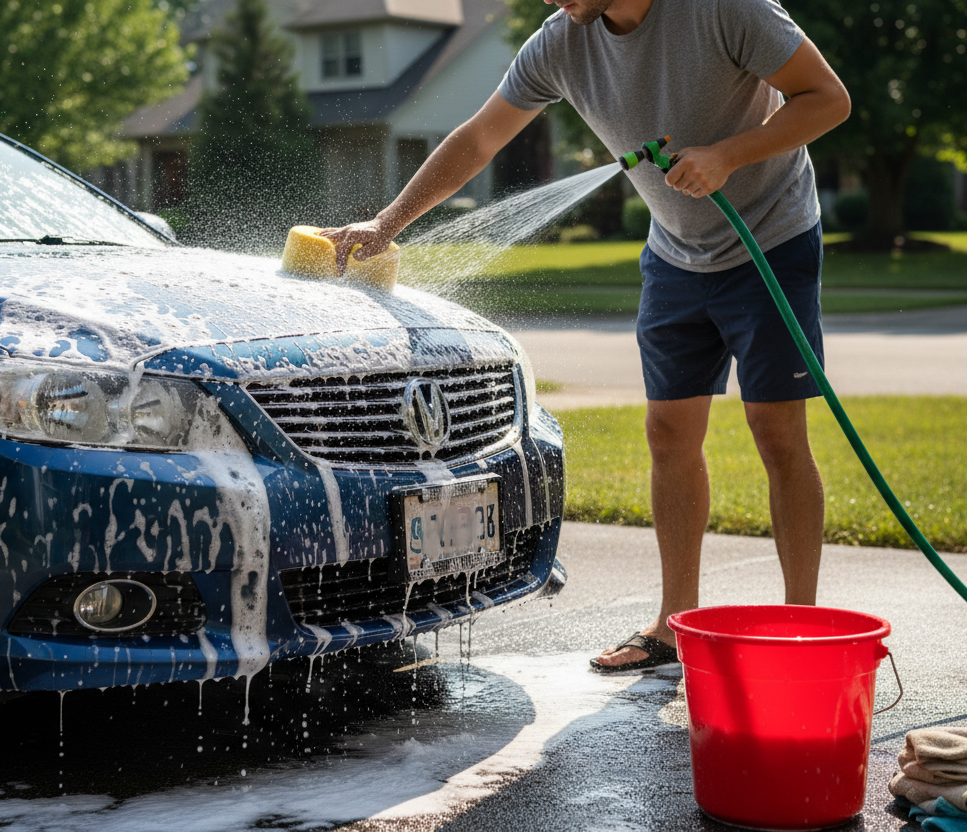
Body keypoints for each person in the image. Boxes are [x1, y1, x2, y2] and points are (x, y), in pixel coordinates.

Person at [321, 0, 850, 672]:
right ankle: (671, 624)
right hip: (677, 257)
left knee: (777, 433)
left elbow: (828, 99)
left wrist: (727, 155)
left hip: (772, 240)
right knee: (669, 434)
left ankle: (802, 625)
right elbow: (481, 136)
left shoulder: (726, 9)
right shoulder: (560, 43)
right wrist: (387, 224)